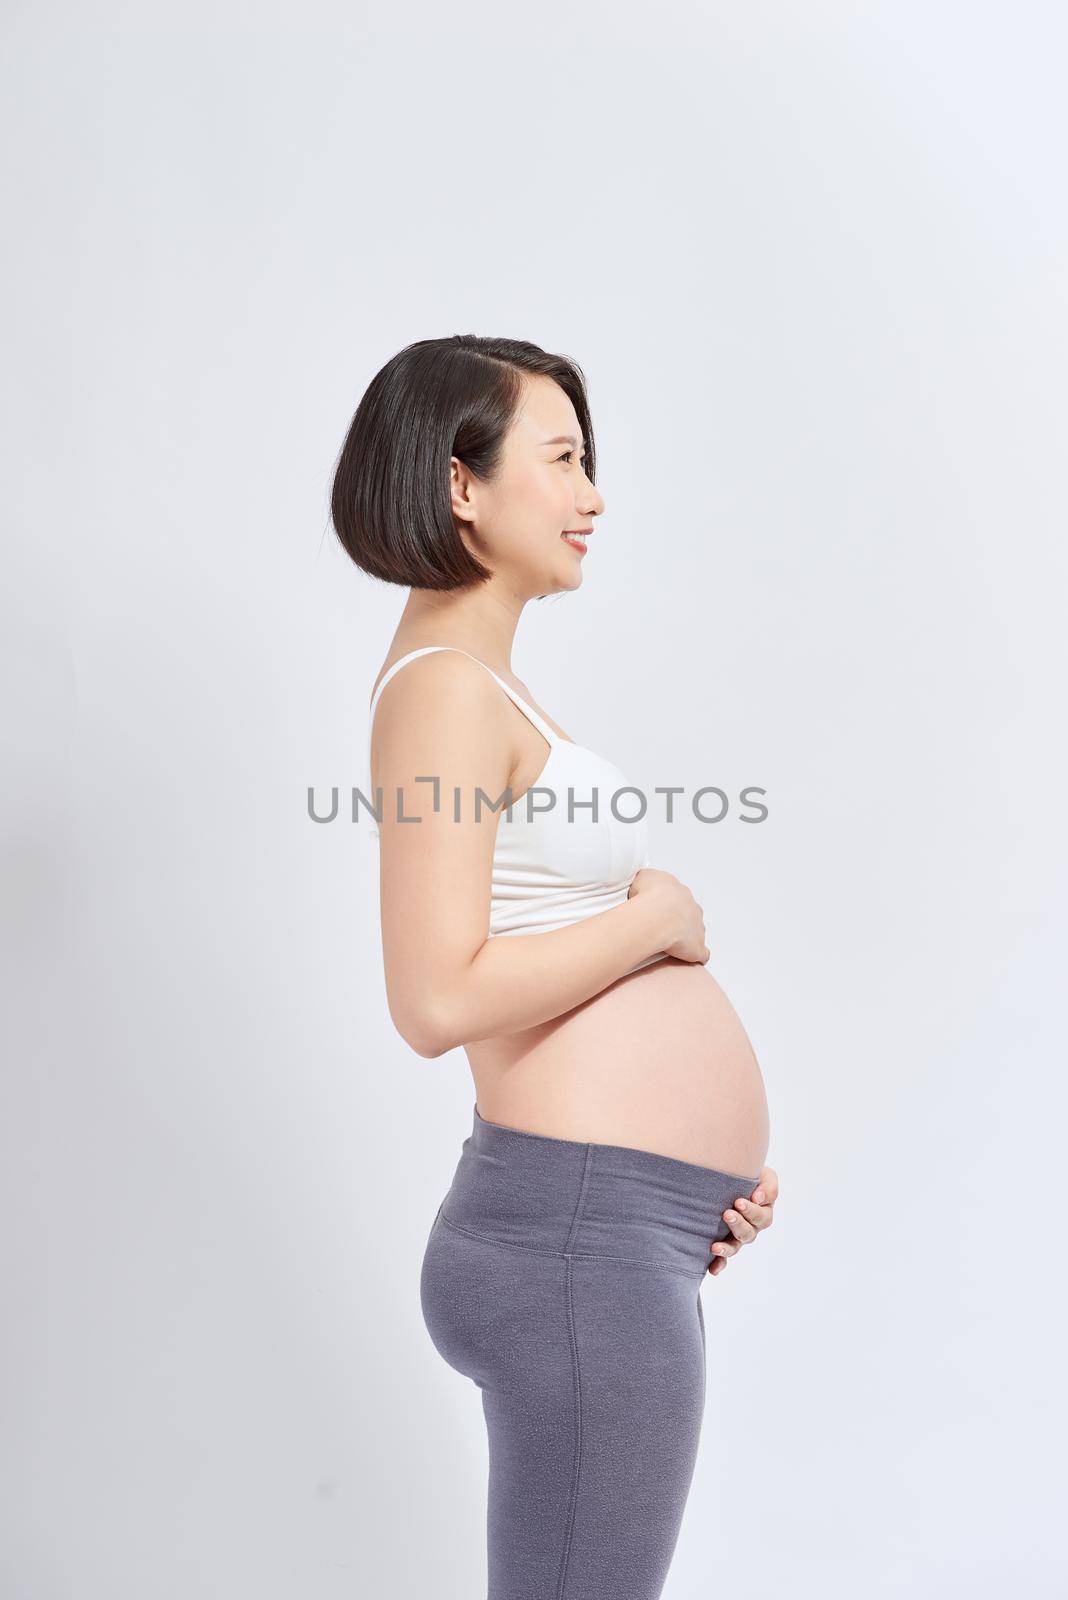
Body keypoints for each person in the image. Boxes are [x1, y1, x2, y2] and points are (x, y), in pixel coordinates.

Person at [331, 334, 778, 1600]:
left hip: (601, 1225)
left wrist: (684, 1185)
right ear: (459, 483)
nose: (594, 497)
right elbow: (433, 998)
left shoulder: (483, 686)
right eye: (565, 458)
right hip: (570, 1236)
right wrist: (657, 919)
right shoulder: (442, 692)